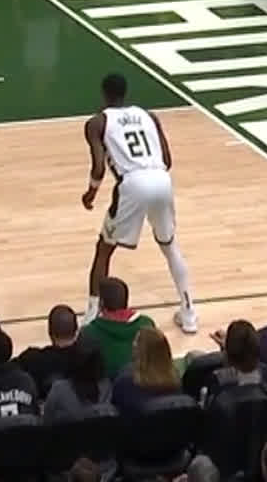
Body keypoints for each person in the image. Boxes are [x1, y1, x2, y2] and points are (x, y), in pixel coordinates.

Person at [82, 72, 198, 333]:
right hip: (161, 178)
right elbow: (167, 160)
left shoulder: (97, 122)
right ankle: (189, 313)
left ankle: (90, 316)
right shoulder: (149, 116)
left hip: (133, 183)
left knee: (104, 249)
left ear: (103, 94)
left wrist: (90, 193)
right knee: (170, 246)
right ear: (125, 93)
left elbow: (99, 168)